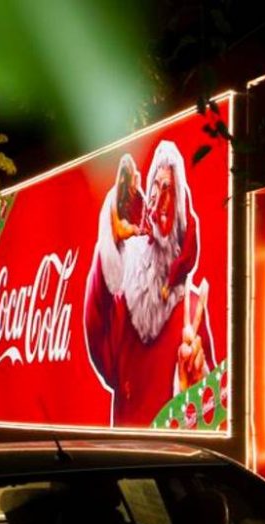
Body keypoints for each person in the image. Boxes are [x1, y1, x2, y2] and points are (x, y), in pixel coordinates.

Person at [84, 141, 215, 426]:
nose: (158, 199)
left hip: (177, 457)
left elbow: (214, 412)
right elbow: (97, 337)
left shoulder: (192, 311)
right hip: (126, 456)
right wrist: (110, 240)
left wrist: (197, 385)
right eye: (156, 185)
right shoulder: (127, 293)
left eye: (168, 188)